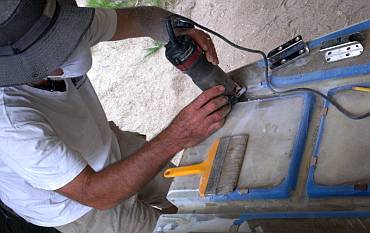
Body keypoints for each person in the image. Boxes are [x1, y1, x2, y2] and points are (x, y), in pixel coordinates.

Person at [0, 0, 230, 232]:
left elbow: (141, 19)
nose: (72, 44)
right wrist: (176, 136)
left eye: (64, 40)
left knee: (196, 195)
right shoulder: (11, 124)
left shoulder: (52, 24)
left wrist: (178, 29)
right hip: (77, 205)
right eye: (58, 51)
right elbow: (93, 193)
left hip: (103, 143)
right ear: (25, 64)